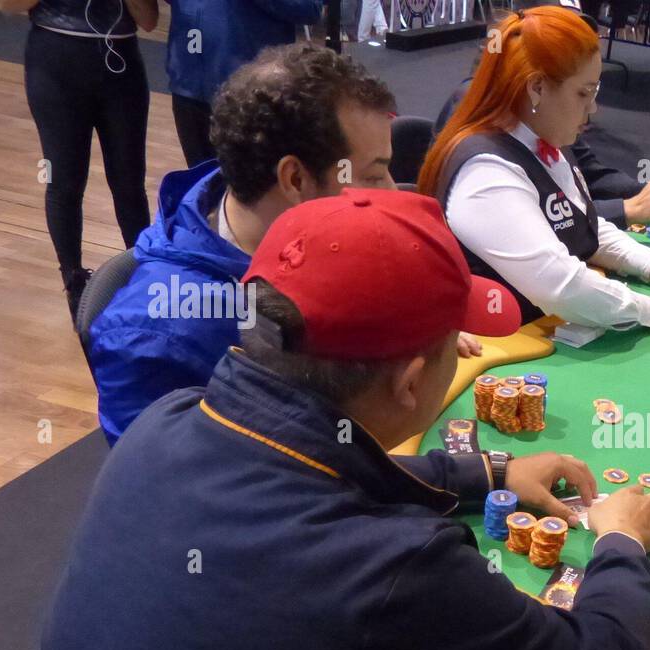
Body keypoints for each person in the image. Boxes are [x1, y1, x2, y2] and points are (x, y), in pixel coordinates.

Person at [16, 189, 650, 650]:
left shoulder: (172, 418)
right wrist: (621, 540)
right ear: (411, 383)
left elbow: (330, 464)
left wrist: (487, 472)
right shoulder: (397, 570)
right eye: (455, 337)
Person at [87, 44, 421, 447]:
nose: (389, 194)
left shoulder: (322, 233)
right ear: (295, 180)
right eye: (373, 176)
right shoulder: (153, 338)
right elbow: (170, 497)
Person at [418, 6, 650, 337]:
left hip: (539, 327)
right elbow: (558, 285)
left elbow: (580, 223)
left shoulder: (540, 139)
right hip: (500, 347)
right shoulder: (485, 172)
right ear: (536, 89)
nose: (592, 108)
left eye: (595, 92)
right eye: (583, 93)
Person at [434, 0, 650, 232]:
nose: (592, 107)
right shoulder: (480, 123)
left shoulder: (547, 115)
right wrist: (627, 209)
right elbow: (533, 221)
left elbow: (591, 173)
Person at [3, 0, 158, 317]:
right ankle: (74, 282)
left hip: (121, 65)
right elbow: (8, 5)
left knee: (129, 182)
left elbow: (149, 20)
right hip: (54, 62)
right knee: (64, 181)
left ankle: (145, 276)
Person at [163, 0, 324, 168]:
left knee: (252, 187)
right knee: (202, 184)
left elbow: (309, 8)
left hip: (252, 97)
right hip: (189, 87)